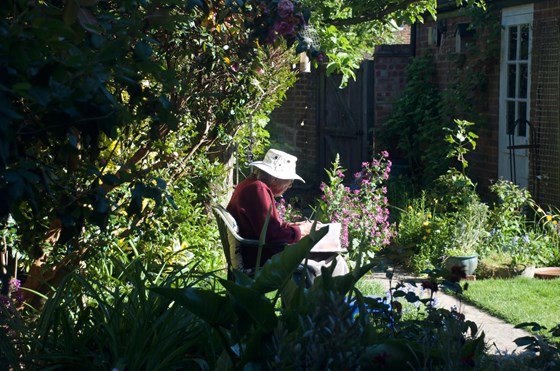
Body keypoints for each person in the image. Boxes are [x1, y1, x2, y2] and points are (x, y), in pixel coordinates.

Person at [227, 148, 348, 281]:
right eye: (289, 182)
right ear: (275, 179)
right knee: (334, 259)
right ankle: (327, 300)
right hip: (261, 258)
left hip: (256, 252)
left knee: (328, 256)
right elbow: (272, 236)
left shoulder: (250, 185)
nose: (289, 186)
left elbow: (267, 226)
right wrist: (301, 230)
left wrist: (294, 226)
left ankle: (313, 299)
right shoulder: (258, 189)